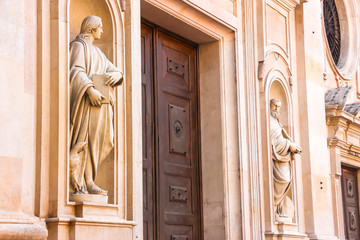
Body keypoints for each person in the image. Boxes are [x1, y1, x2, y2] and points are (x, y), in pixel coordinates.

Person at [69, 15, 123, 195]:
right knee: (85, 141)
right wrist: (90, 90)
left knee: (99, 141)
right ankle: (82, 181)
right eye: (100, 27)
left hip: (100, 107)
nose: (102, 31)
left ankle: (90, 179)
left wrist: (118, 75)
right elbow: (75, 71)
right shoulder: (78, 46)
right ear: (92, 29)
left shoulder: (99, 53)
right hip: (85, 104)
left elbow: (114, 70)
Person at [270, 98, 301, 219]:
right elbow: (273, 141)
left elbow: (280, 137)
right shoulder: (268, 120)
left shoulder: (277, 121)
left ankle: (277, 207)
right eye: (274, 106)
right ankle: (273, 206)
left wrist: (291, 144)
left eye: (278, 106)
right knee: (284, 179)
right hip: (277, 159)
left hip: (282, 159)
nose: (276, 109)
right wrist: (289, 145)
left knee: (287, 180)